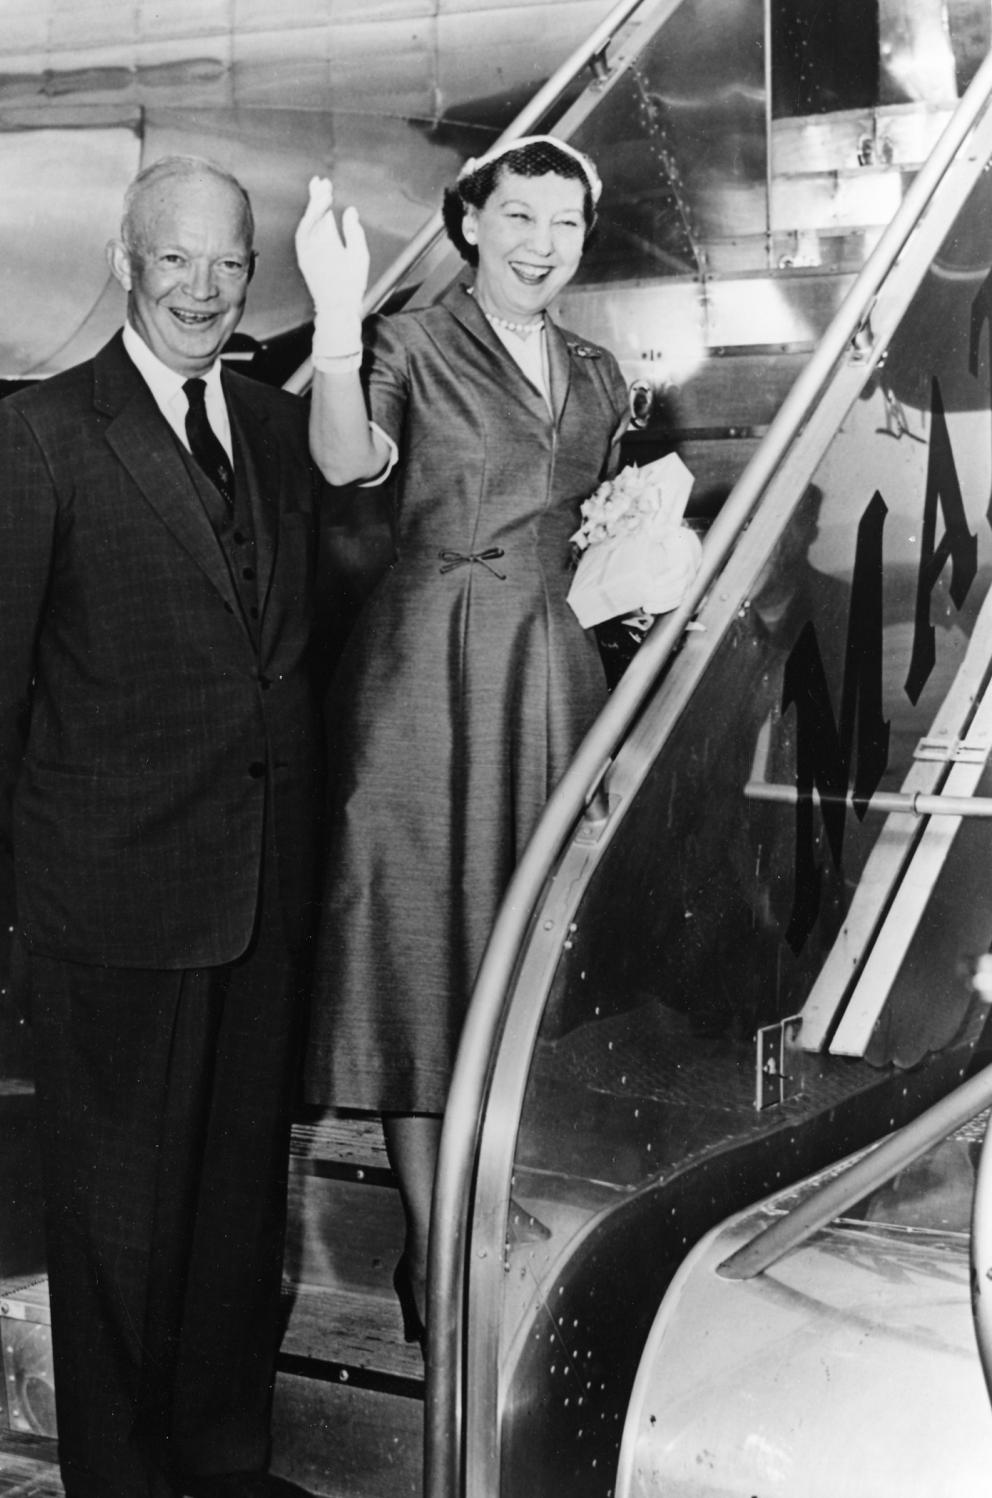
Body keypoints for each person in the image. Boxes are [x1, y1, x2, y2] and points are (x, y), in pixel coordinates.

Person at [0, 156, 322, 1498]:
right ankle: (125, 1480)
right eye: (177, 261)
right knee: (116, 1230)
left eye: (229, 263)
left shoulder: (272, 428)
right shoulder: (38, 434)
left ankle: (223, 1464)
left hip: (258, 899)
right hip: (115, 901)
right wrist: (69, 849)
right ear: (125, 261)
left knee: (231, 1216)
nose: (205, 290)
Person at [293, 135, 631, 1335]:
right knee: (419, 953)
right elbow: (347, 462)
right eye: (521, 218)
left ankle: (493, 1201)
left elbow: (589, 520)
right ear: (471, 224)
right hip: (425, 672)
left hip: (554, 674)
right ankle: (436, 1246)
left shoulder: (600, 373)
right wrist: (339, 325)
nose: (545, 244)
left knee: (526, 949)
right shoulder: (409, 345)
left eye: (567, 224)